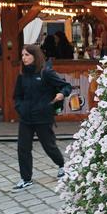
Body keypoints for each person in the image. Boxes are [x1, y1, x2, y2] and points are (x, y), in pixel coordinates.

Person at [12, 44, 72, 191]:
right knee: (23, 148)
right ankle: (26, 178)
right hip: (26, 118)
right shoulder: (22, 75)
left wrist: (62, 94)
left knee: (49, 146)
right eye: (23, 55)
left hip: (43, 117)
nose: (24, 58)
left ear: (35, 56)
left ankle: (62, 165)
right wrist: (20, 108)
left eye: (27, 55)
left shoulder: (46, 73)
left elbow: (66, 86)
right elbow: (17, 96)